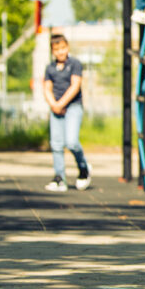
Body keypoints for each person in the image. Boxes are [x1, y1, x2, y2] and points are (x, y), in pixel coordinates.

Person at [43, 33, 91, 192]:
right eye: (56, 49)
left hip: (72, 107)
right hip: (56, 107)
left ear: (67, 47)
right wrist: (54, 104)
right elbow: (47, 88)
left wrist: (62, 103)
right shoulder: (50, 68)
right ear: (52, 51)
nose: (60, 52)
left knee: (71, 141)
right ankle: (59, 178)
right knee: (56, 144)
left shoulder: (75, 64)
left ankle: (83, 168)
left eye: (63, 48)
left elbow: (75, 86)